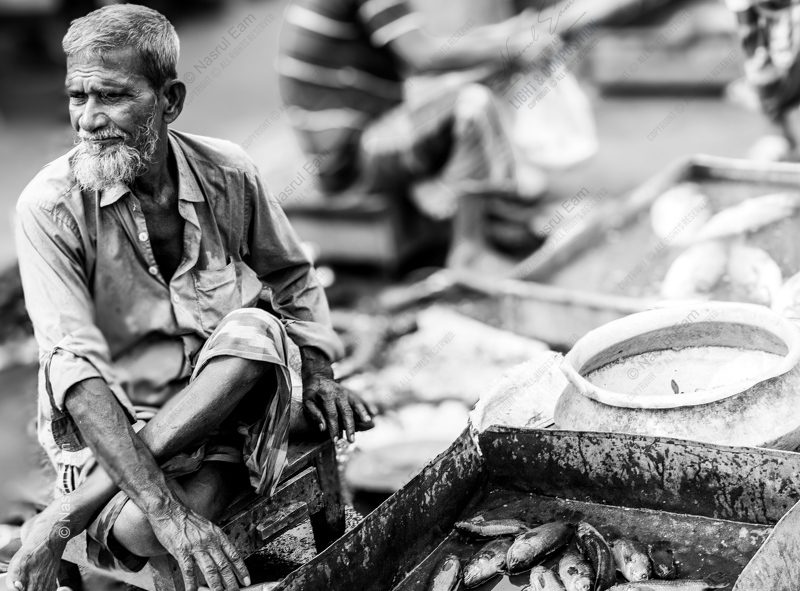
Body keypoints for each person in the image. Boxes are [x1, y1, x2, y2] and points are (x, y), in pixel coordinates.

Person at [8, 4, 372, 591]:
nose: (89, 119)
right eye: (78, 97)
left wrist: (322, 371)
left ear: (169, 101)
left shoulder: (229, 172)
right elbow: (76, 372)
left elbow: (292, 278)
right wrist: (168, 512)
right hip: (120, 426)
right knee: (148, 532)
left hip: (227, 411)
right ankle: (138, 506)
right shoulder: (47, 209)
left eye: (113, 97)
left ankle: (67, 516)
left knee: (256, 331)